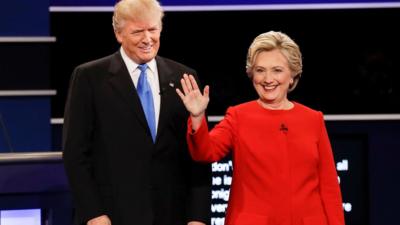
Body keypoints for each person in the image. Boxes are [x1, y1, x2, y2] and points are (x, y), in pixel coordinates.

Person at [62, 0, 211, 225]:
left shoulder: (183, 78)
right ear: (118, 33)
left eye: (152, 29)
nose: (147, 39)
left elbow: (197, 154)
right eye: (138, 31)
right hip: (112, 215)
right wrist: (93, 213)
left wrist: (198, 217)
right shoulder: (90, 78)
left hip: (172, 214)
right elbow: (75, 153)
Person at [176, 31, 345, 225]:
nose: (268, 78)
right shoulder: (238, 116)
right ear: (251, 74)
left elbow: (329, 188)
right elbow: (205, 152)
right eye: (260, 70)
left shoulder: (312, 119)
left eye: (277, 70)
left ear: (292, 75)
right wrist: (197, 117)